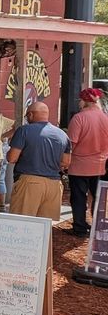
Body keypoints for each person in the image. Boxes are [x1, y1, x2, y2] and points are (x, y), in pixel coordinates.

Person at [7, 102, 71, 221]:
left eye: (27, 116)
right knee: (45, 227)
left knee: (21, 224)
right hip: (54, 184)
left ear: (31, 114)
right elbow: (66, 162)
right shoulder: (62, 134)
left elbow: (12, 158)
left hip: (29, 182)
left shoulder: (24, 130)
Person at [66, 88, 108, 237]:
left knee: (78, 197)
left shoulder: (79, 118)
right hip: (101, 165)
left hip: (79, 165)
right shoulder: (105, 118)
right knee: (99, 198)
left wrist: (63, 162)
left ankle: (80, 228)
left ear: (84, 101)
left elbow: (71, 144)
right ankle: (98, 225)